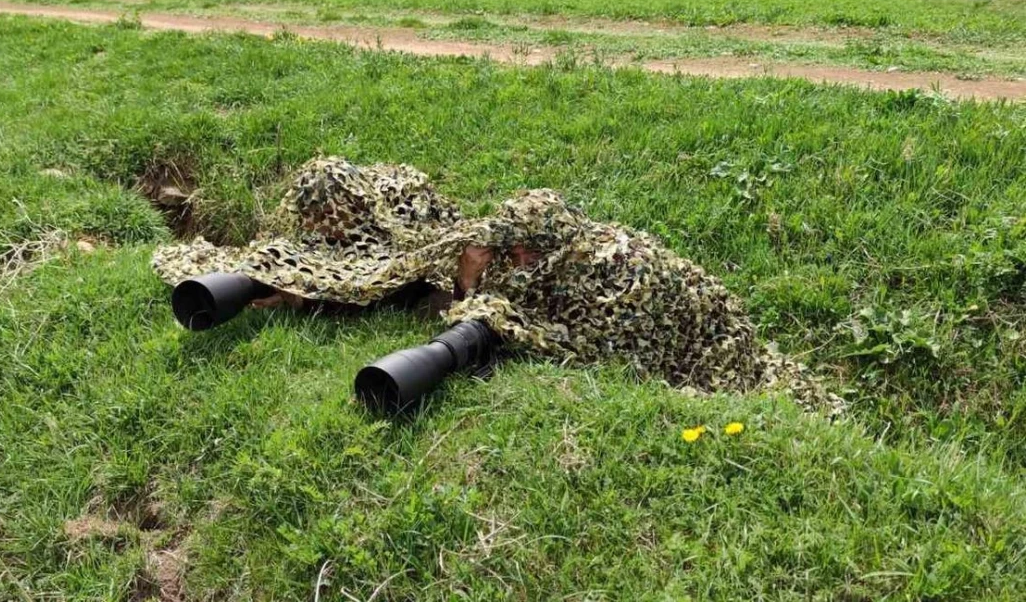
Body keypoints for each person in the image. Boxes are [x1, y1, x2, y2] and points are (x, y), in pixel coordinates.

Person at [153, 157, 841, 412]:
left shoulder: (609, 266)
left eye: (500, 256)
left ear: (519, 250)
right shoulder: (559, 241)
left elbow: (593, 334)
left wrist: (480, 313)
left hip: (710, 340)